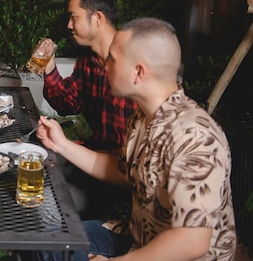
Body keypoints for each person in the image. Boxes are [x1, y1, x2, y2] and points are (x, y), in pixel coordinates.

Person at [34, 17, 236, 261]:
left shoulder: (195, 135)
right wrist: (61, 144)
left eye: (113, 60)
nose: (105, 66)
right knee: (44, 244)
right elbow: (120, 171)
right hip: (137, 238)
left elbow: (192, 241)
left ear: (138, 72)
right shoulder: (141, 117)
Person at [40, 0, 137, 220]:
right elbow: (67, 104)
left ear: (98, 18)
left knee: (44, 200)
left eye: (74, 17)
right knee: (36, 159)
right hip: (94, 159)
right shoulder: (88, 59)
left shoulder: (135, 63)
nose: (69, 25)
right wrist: (49, 66)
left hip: (123, 180)